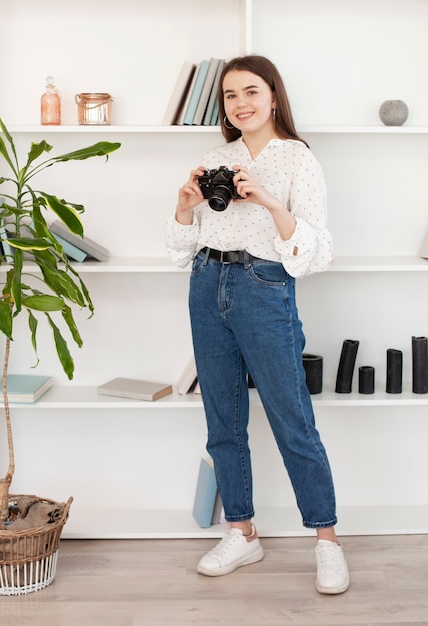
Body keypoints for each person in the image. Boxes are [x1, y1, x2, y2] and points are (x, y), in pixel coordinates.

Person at [165, 55, 349, 595]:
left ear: (273, 97)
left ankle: (327, 540)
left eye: (251, 92)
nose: (240, 103)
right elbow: (182, 249)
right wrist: (183, 206)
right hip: (206, 283)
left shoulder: (297, 159)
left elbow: (315, 253)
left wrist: (266, 198)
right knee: (223, 419)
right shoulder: (212, 157)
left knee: (293, 420)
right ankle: (241, 532)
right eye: (229, 96)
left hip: (265, 286)